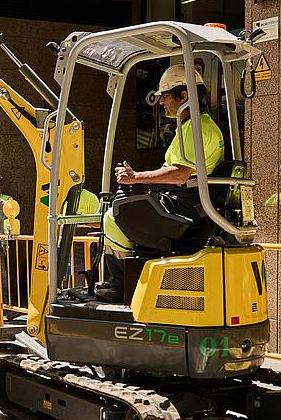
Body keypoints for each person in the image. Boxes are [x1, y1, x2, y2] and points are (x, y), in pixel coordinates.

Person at [95, 63, 225, 303]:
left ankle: (120, 285)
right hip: (192, 206)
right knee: (131, 209)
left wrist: (135, 177)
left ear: (183, 95)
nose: (161, 102)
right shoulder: (201, 127)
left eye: (164, 96)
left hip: (184, 208)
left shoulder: (194, 129)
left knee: (114, 215)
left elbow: (179, 174)